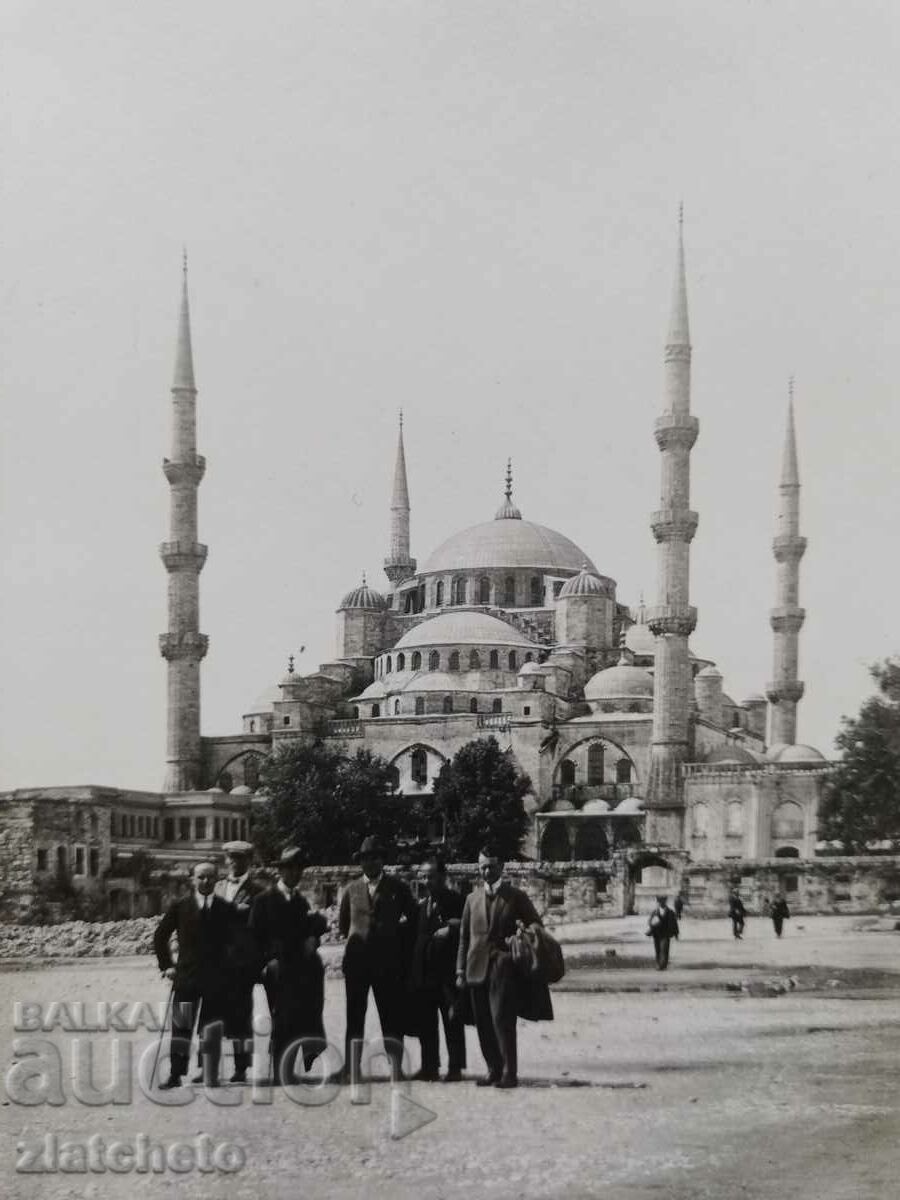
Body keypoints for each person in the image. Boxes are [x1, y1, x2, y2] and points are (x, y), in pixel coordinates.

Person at [456, 847, 550, 1090]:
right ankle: (492, 1069)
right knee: (483, 1021)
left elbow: (536, 926)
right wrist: (460, 971)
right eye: (483, 866)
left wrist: (519, 935)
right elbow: (464, 938)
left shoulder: (515, 897)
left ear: (502, 867)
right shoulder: (471, 899)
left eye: (492, 866)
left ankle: (509, 1072)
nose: (487, 871)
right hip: (475, 967)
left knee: (502, 1020)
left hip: (503, 967)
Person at [338, 835, 418, 1082]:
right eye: (365, 859)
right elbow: (343, 925)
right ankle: (352, 1068)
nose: (370, 863)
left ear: (382, 861)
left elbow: (413, 920)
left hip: (388, 964)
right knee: (354, 1016)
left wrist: (394, 940)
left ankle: (395, 1067)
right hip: (357, 964)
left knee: (391, 1015)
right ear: (360, 862)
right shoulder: (351, 889)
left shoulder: (398, 888)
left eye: (374, 858)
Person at [249, 846, 328, 1084]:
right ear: (280, 871)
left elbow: (311, 926)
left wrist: (314, 936)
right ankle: (279, 1071)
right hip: (277, 968)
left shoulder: (300, 901)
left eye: (298, 869)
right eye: (289, 869)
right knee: (281, 1016)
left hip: (300, 968)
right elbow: (253, 936)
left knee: (300, 1015)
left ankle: (289, 1068)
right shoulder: (264, 900)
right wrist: (262, 965)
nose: (295, 873)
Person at [154, 862, 233, 1089]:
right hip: (186, 977)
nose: (206, 882)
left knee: (211, 1028)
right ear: (193, 880)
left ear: (217, 880)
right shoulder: (180, 907)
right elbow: (160, 937)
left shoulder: (225, 908)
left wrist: (229, 967)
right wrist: (167, 966)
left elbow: (237, 941)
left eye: (210, 877)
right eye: (201, 877)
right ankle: (176, 1074)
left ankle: (209, 1073)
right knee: (181, 1027)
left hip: (216, 979)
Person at [214, 840, 268, 1082]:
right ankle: (208, 1067)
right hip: (217, 961)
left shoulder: (258, 891)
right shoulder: (216, 888)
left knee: (241, 1014)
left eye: (241, 859)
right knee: (212, 1015)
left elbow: (259, 927)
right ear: (226, 861)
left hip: (242, 962)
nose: (235, 863)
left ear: (249, 861)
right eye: (231, 859)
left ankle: (240, 1067)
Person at [409, 854, 466, 1082]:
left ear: (442, 877)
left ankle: (455, 1068)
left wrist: (451, 929)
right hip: (424, 973)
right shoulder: (421, 905)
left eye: (431, 877)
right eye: (423, 876)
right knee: (426, 1022)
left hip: (447, 973)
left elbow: (468, 925)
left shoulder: (456, 901)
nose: (426, 881)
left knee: (452, 1021)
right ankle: (429, 1066)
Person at [646, 894, 679, 970]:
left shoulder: (670, 912)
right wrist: (652, 923)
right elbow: (650, 921)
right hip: (656, 934)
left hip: (666, 934)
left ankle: (662, 964)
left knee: (664, 949)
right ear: (658, 902)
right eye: (660, 901)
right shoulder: (655, 911)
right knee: (657, 949)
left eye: (663, 901)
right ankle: (659, 963)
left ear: (665, 901)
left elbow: (674, 923)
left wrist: (676, 934)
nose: (661, 903)